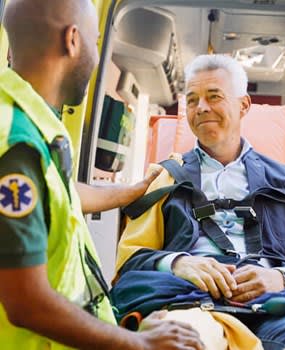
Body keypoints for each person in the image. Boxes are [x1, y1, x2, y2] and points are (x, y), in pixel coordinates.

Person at [0, 1, 205, 349]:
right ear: (72, 40)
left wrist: (132, 190)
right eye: (96, 45)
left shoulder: (28, 121)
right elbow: (27, 305)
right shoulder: (17, 146)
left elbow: (59, 196)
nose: (96, 61)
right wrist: (140, 343)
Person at [113, 54, 285, 349]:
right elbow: (130, 258)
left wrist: (280, 277)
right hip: (191, 304)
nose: (201, 108)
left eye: (214, 97)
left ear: (243, 105)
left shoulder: (283, 179)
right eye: (192, 100)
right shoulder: (165, 177)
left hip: (274, 308)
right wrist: (178, 263)